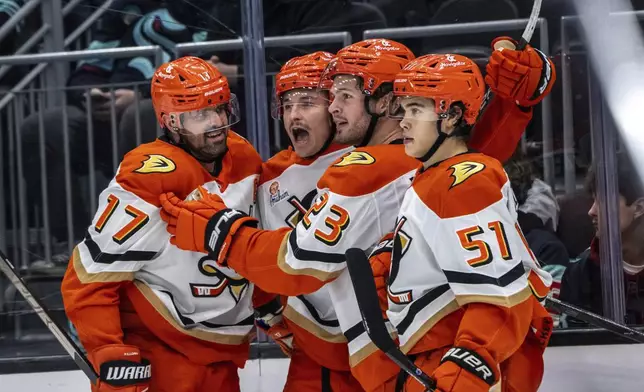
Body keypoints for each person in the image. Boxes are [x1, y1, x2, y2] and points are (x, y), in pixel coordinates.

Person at [158, 38, 555, 391]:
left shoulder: (365, 168)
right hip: (372, 347)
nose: (332, 107)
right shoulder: (430, 162)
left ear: (383, 100)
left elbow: (294, 263)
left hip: (427, 351)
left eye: (341, 95)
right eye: (319, 96)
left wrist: (219, 232)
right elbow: (470, 155)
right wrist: (513, 103)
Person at [61, 56, 275, 392]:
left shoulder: (245, 157)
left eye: (221, 108)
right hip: (160, 355)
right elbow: (88, 277)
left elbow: (249, 244)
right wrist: (107, 348)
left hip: (224, 353)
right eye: (201, 114)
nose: (217, 122)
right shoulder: (148, 177)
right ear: (171, 120)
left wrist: (271, 307)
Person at [368, 53, 553, 392]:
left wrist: (465, 372)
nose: (403, 122)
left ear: (452, 117)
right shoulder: (433, 175)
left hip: (462, 362)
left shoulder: (464, 180)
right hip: (431, 355)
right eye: (404, 109)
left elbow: (498, 297)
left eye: (416, 110)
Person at [559, 153, 644, 326]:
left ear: (639, 208)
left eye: (603, 201)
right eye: (594, 200)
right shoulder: (580, 272)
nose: (591, 211)